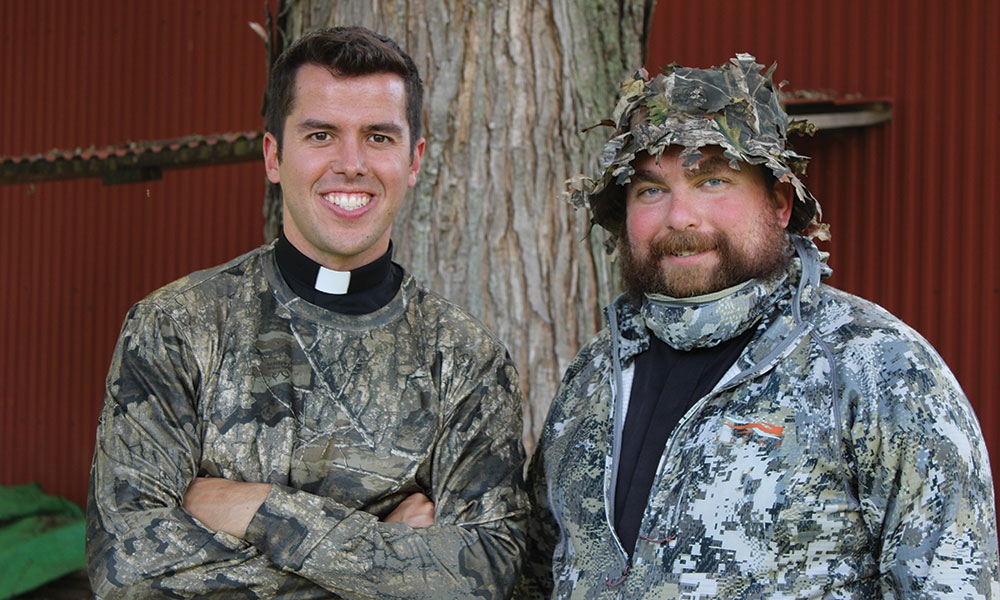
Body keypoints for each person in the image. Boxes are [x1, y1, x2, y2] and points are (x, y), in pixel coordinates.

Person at [516, 54, 999, 598]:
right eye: (650, 189)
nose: (680, 217)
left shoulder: (879, 369)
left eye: (713, 180)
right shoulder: (595, 374)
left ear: (780, 202)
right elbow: (536, 574)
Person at [87, 26, 527, 599]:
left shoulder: (466, 361)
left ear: (414, 159)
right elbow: (128, 569)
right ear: (274, 155)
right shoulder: (176, 327)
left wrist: (258, 509)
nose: (351, 163)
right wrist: (380, 549)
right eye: (321, 134)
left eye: (378, 137)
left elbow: (482, 577)